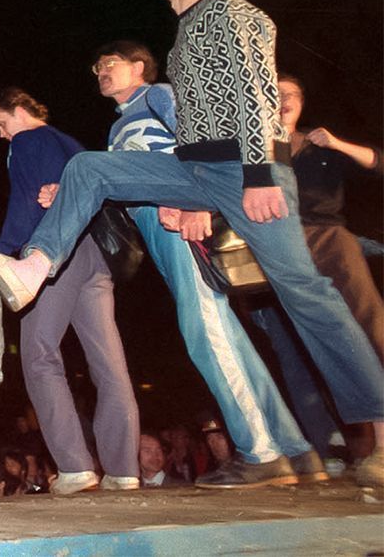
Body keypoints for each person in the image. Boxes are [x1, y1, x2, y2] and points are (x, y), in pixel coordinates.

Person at [0, 0, 384, 489]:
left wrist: (259, 174)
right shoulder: (186, 32)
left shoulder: (231, 12)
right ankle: (33, 266)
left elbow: (257, 87)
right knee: (89, 168)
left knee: (306, 294)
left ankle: (375, 428)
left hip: (244, 173)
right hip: (197, 173)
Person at [63, 40, 322, 487]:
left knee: (206, 330)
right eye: (96, 66)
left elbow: (204, 146)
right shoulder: (118, 127)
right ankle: (294, 451)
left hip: (182, 222)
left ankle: (260, 452)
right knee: (225, 333)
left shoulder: (158, 95)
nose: (100, 72)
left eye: (110, 64)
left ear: (139, 67)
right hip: (159, 230)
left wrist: (198, 204)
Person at [0, 87, 139, 494]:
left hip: (54, 256)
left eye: (2, 123)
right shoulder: (70, 142)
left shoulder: (28, 140)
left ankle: (76, 467)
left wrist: (3, 251)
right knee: (109, 364)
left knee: (40, 357)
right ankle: (123, 470)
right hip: (96, 256)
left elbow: (28, 198)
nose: (1, 134)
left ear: (21, 110)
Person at [279, 74, 384, 363]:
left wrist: (338, 144)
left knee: (365, 311)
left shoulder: (318, 143)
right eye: (275, 93)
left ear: (301, 103)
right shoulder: (254, 150)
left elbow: (378, 162)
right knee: (311, 334)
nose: (283, 100)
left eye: (291, 94)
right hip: (279, 240)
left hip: (325, 233)